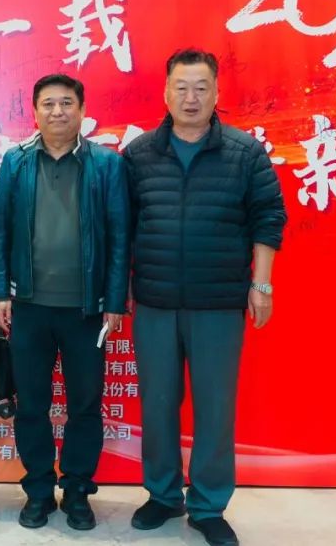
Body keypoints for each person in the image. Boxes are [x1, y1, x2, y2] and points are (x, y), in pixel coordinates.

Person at [123, 48, 287, 546]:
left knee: (215, 407)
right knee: (157, 403)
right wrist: (119, 292)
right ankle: (163, 494)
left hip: (218, 304)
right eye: (181, 87)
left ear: (217, 93)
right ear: (165, 92)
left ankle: (209, 504)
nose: (190, 98)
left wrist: (261, 284)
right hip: (154, 301)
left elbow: (268, 217)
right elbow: (122, 227)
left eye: (201, 88)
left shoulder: (244, 152)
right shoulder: (139, 154)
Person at [0, 73, 130, 531]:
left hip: (87, 310)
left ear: (82, 110)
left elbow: (119, 236)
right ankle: (37, 490)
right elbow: (1, 230)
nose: (57, 111)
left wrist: (115, 299)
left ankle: (77, 490)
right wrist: (0, 292)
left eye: (66, 103)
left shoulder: (106, 165)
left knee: (85, 404)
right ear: (35, 112)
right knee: (31, 404)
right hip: (29, 306)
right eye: (48, 104)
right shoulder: (16, 162)